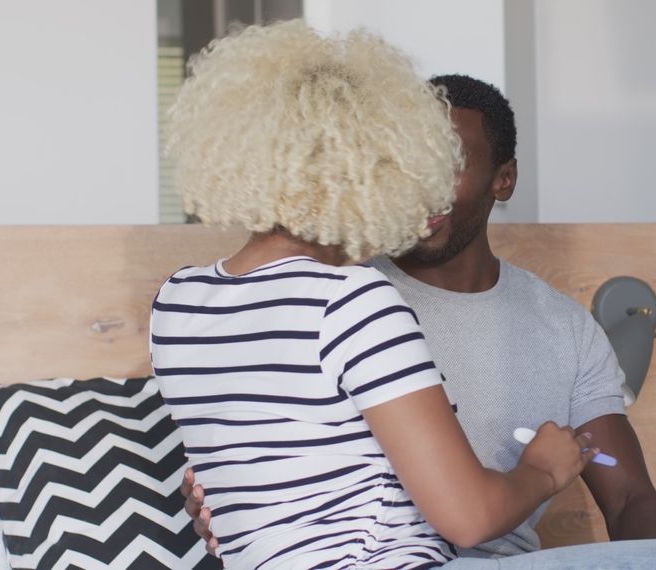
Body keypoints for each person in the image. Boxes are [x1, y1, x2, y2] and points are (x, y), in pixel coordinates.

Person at [182, 71, 656, 568]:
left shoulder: (564, 329)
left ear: (505, 179)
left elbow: (628, 494)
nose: (422, 190)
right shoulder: (341, 292)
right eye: (406, 164)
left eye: (447, 166)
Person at [155, 22, 601, 569]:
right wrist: (544, 469)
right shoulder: (351, 300)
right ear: (372, 172)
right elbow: (469, 517)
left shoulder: (177, 304)